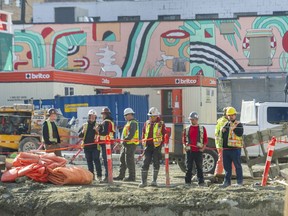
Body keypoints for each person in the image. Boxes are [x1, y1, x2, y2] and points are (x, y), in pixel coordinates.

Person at [139, 107, 166, 188]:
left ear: (156, 116)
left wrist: (162, 143)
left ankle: (154, 181)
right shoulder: (147, 123)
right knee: (145, 163)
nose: (151, 118)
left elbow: (164, 133)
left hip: (157, 146)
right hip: (148, 145)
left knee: (156, 163)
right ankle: (144, 182)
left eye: (153, 116)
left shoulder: (161, 124)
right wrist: (143, 140)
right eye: (150, 116)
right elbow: (144, 132)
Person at [221, 107, 244, 187]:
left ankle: (239, 182)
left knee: (237, 166)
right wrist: (222, 131)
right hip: (226, 149)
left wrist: (234, 129)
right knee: (227, 167)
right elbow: (224, 137)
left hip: (235, 149)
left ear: (235, 115)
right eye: (229, 115)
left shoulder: (238, 124)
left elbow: (240, 133)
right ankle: (227, 182)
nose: (230, 117)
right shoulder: (226, 124)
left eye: (232, 115)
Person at [114, 108, 139, 181]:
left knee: (129, 160)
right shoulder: (128, 123)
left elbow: (131, 134)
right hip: (126, 144)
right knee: (122, 160)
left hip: (131, 144)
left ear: (130, 115)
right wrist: (121, 143)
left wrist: (123, 141)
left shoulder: (133, 123)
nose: (124, 117)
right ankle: (121, 175)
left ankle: (132, 176)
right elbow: (124, 135)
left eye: (125, 115)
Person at [183, 112, 208, 186]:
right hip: (189, 151)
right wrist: (185, 146)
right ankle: (187, 182)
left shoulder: (202, 129)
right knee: (189, 167)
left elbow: (205, 140)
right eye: (191, 119)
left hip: (198, 151)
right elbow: (184, 140)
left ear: (197, 119)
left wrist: (203, 148)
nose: (192, 121)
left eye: (193, 119)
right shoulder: (187, 129)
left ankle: (201, 182)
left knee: (199, 167)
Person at [78, 109, 102, 181]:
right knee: (89, 161)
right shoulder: (84, 125)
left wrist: (97, 131)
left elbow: (101, 135)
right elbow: (80, 135)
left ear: (95, 117)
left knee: (96, 160)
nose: (92, 118)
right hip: (87, 146)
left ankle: (99, 176)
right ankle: (91, 176)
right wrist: (82, 131)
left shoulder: (98, 125)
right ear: (88, 117)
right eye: (91, 116)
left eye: (94, 116)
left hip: (95, 146)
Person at [214, 107, 236, 178]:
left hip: (223, 144)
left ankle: (233, 174)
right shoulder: (224, 121)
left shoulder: (221, 120)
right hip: (223, 144)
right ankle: (218, 174)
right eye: (230, 114)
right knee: (222, 160)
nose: (231, 115)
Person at [97, 107, 115, 183]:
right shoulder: (110, 122)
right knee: (108, 160)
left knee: (106, 161)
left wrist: (97, 130)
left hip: (106, 143)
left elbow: (105, 132)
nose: (102, 116)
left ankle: (107, 177)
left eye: (102, 114)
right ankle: (109, 176)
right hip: (108, 143)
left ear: (105, 114)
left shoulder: (106, 122)